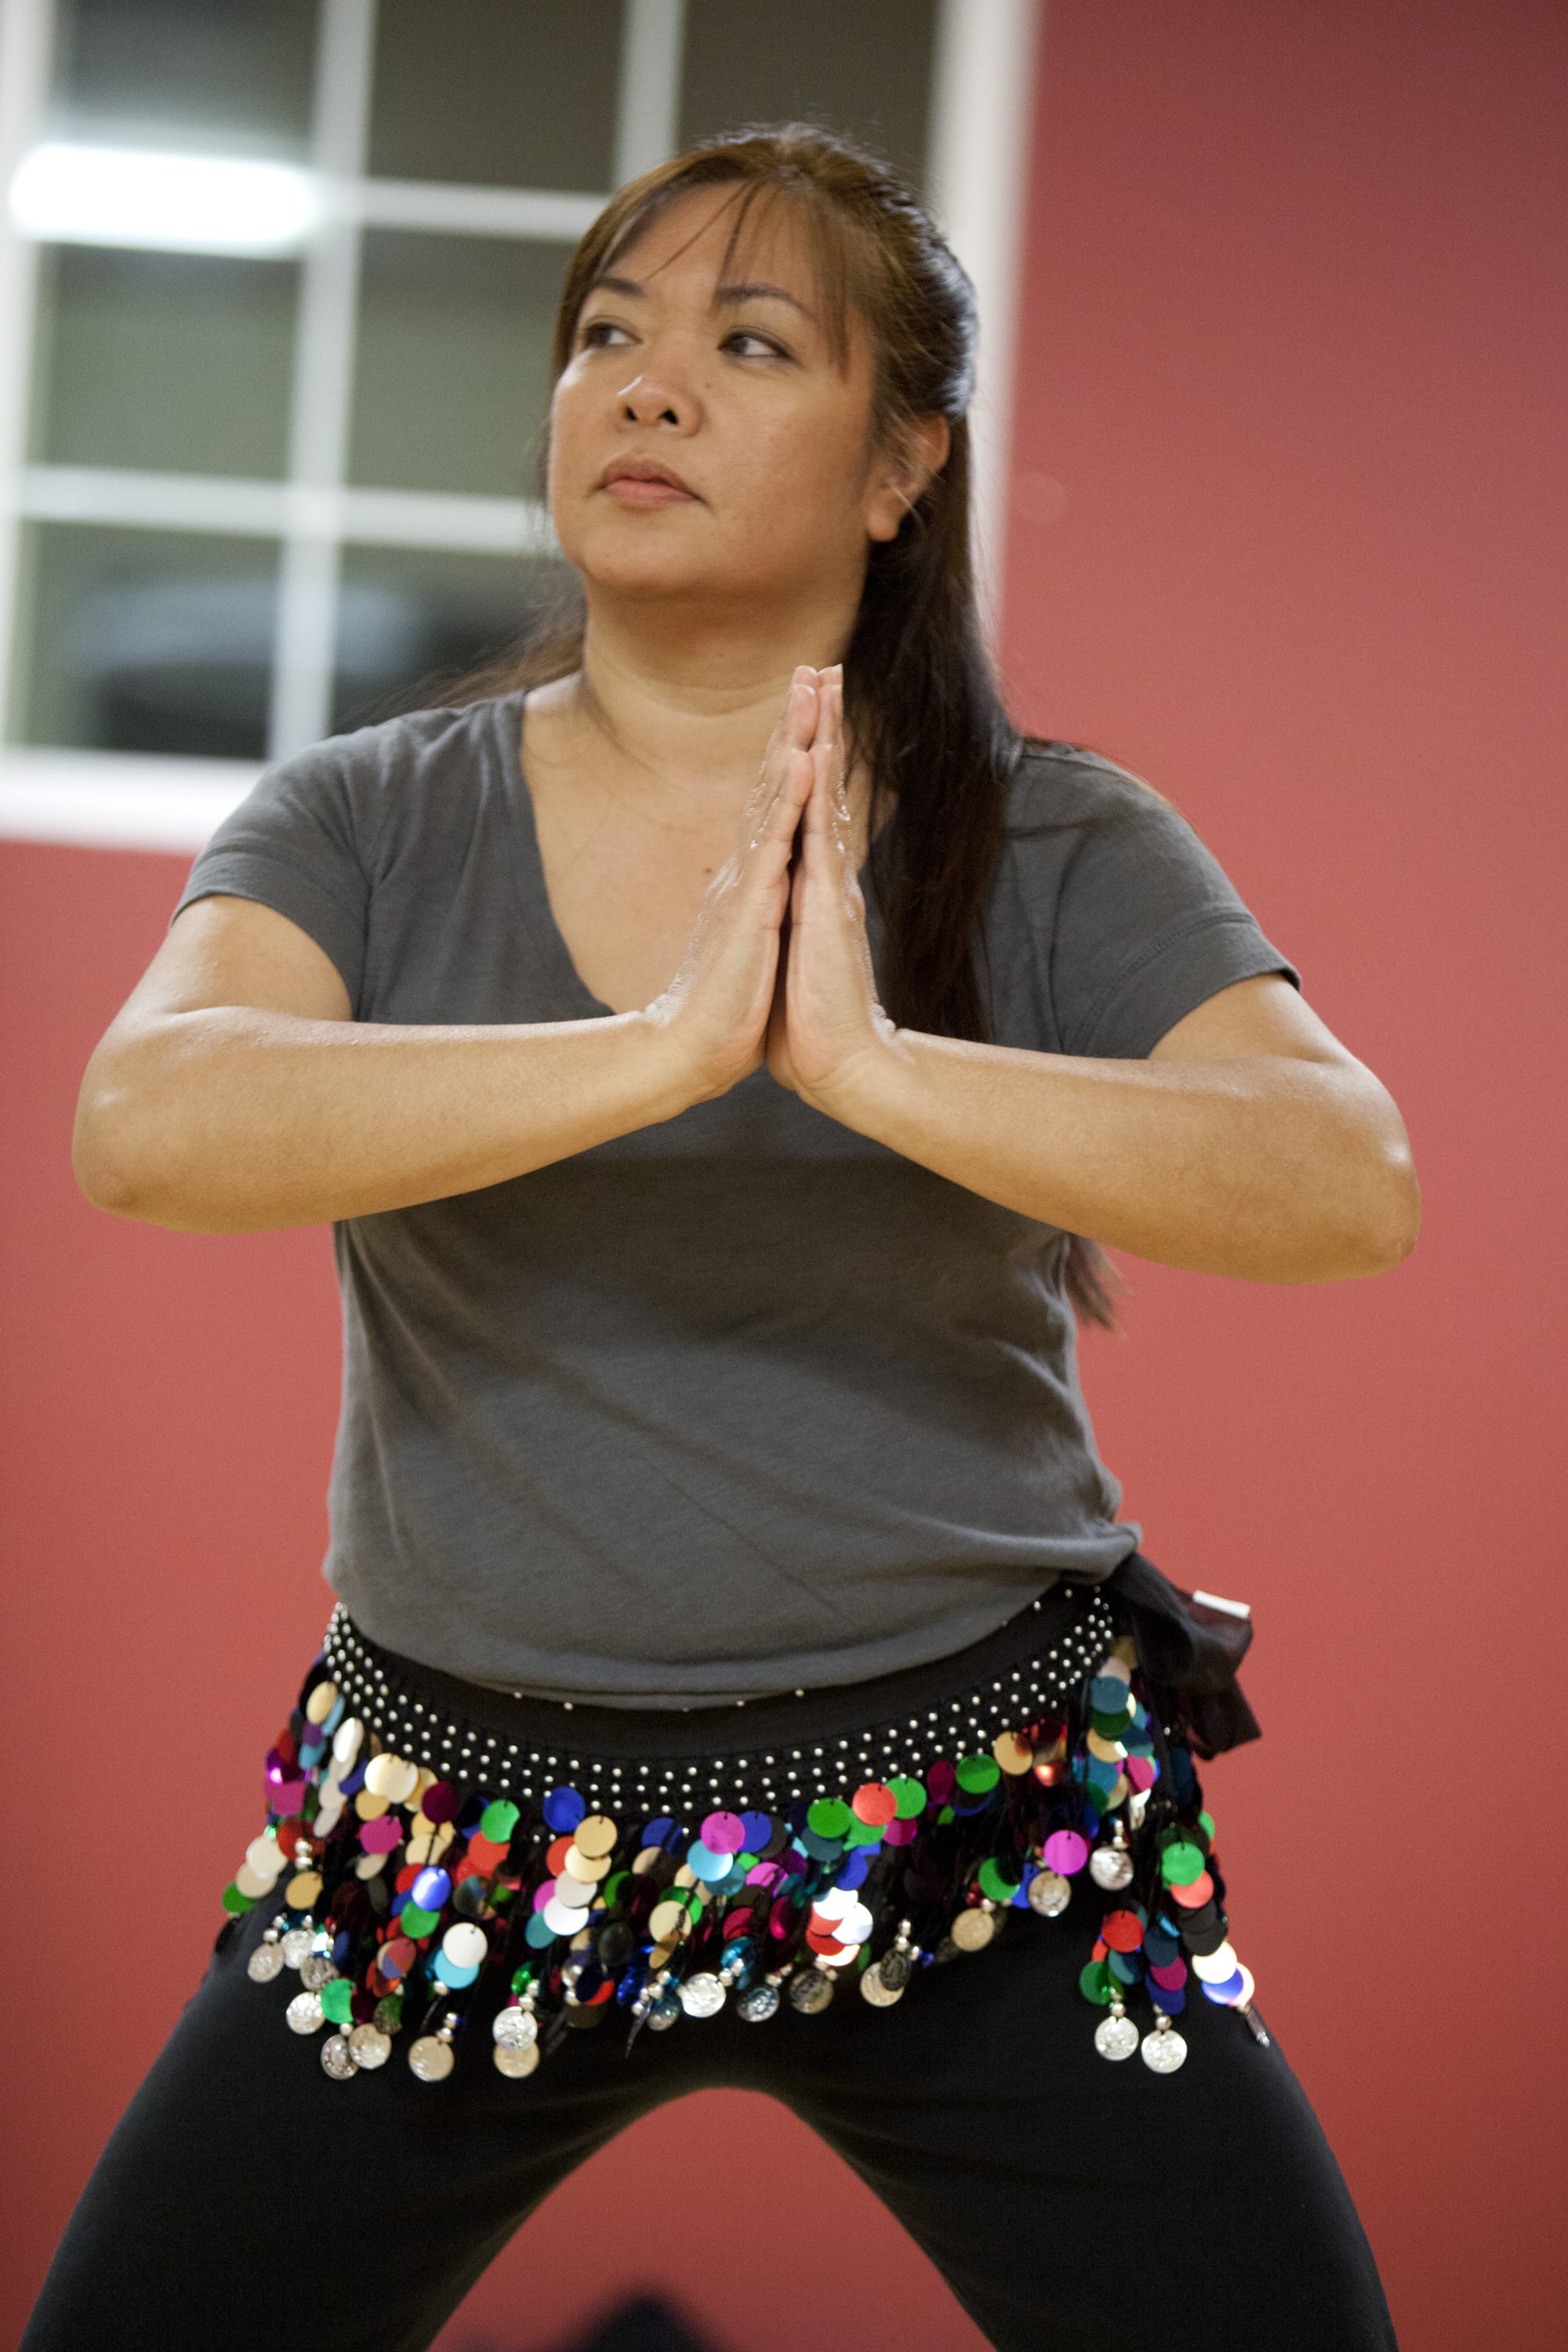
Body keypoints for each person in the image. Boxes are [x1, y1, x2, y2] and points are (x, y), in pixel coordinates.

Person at [28, 125, 1414, 2352]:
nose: (642, 390)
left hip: (969, 1829)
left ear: (903, 467)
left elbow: (1346, 1181)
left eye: (747, 344)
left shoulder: (1048, 839)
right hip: (459, 1850)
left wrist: (867, 1069)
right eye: (606, 335)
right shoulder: (362, 820)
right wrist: (671, 1050)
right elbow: (150, 1123)